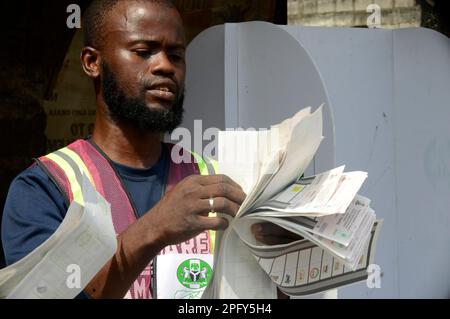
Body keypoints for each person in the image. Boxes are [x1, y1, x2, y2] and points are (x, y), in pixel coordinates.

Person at [1, 0, 299, 299]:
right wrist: (152, 229)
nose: (165, 66)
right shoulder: (45, 188)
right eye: (144, 52)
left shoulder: (219, 180)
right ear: (93, 62)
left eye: (176, 55)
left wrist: (283, 263)